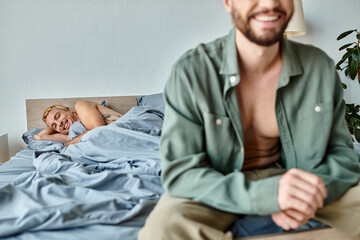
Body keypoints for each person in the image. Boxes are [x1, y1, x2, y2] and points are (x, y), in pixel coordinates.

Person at [138, 0, 360, 239]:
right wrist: (268, 196)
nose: (270, 3)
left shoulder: (320, 68)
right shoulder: (192, 72)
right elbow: (181, 172)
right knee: (163, 230)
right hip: (217, 184)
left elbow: (343, 155)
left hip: (303, 180)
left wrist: (308, 195)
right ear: (228, 2)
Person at [34, 101, 122, 145]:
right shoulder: (73, 135)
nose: (59, 123)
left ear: (68, 110)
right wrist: (58, 128)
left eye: (58, 116)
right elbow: (38, 137)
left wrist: (69, 143)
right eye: (54, 125)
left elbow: (98, 132)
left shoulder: (80, 106)